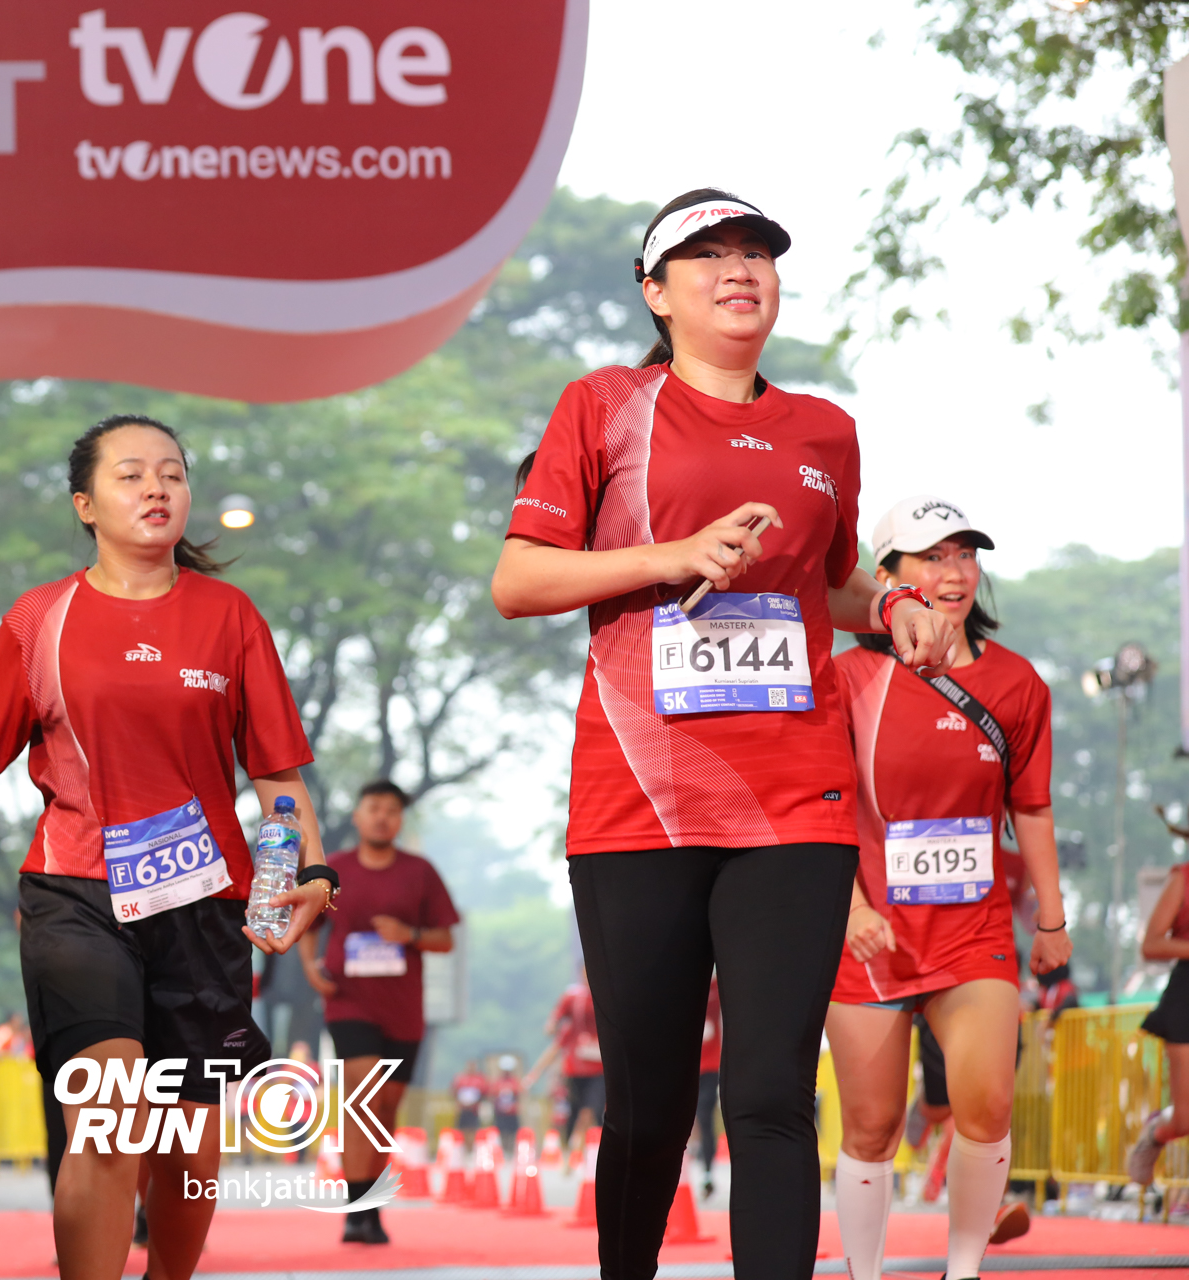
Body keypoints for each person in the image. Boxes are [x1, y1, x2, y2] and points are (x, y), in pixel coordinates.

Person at [490, 188, 956, 1280]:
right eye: (707, 256)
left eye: (757, 253)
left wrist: (893, 603)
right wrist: (674, 554)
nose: (739, 270)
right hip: (639, 802)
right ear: (656, 293)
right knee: (651, 1103)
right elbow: (519, 580)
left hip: (797, 800)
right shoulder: (605, 406)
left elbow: (826, 581)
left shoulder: (823, 430)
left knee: (770, 1093)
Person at [0, 414, 334, 1280]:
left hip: (205, 906)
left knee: (189, 1148)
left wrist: (307, 871)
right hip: (76, 896)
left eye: (172, 473)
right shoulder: (39, 619)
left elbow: (277, 775)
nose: (156, 487)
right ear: (85, 504)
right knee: (112, 1118)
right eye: (131, 474)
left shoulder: (231, 617)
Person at [826, 496, 1066, 1279]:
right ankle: (864, 1273)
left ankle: (963, 1271)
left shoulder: (1018, 684)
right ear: (886, 577)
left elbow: (1032, 808)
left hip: (975, 933)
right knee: (871, 1126)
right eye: (932, 557)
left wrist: (1053, 920)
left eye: (965, 555)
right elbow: (818, 806)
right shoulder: (848, 679)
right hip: (871, 936)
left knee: (987, 1107)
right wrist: (851, 908)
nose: (954, 572)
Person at [300, 778, 458, 1243]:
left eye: (391, 809)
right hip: (348, 1000)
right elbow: (308, 921)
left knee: (386, 1106)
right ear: (358, 815)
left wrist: (410, 935)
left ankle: (370, 1205)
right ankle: (355, 1210)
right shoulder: (334, 869)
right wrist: (310, 967)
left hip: (404, 1009)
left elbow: (445, 939)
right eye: (374, 808)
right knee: (362, 1094)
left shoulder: (420, 872)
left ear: (400, 819)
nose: (382, 817)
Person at [1127, 841, 1189, 1186]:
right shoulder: (1183, 878)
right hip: (1185, 996)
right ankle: (1155, 1133)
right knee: (1185, 1119)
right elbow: (1151, 944)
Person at [523, 967, 604, 1169]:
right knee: (573, 1115)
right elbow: (553, 1047)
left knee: (589, 1112)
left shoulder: (608, 997)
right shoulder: (572, 1004)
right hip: (574, 1072)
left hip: (600, 1072)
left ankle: (580, 1150)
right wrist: (533, 1075)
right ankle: (572, 1149)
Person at [695, 977, 722, 1201]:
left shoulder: (719, 986)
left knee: (704, 1116)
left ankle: (707, 1171)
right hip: (686, 1065)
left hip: (711, 1065)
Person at [449, 1058, 488, 1138]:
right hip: (463, 1109)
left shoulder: (480, 1079)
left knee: (473, 1129)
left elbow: (484, 1093)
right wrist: (459, 1103)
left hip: (474, 1110)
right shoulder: (460, 1078)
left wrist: (475, 1103)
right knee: (461, 1130)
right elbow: (454, 1091)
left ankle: (471, 1145)